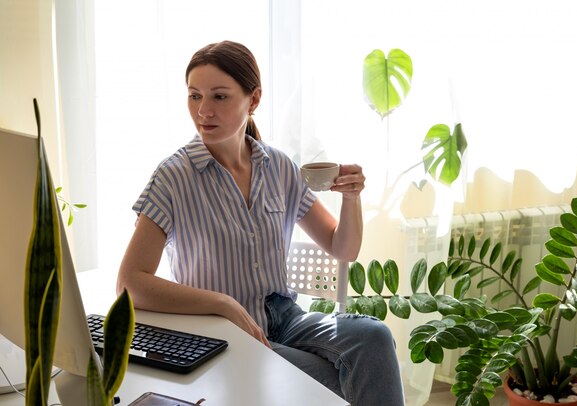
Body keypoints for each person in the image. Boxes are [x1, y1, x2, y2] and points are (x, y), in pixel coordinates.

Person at [116, 40, 404, 405]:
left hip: (284, 316)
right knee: (337, 377)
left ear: (252, 100)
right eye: (194, 96)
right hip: (222, 330)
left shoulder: (279, 167)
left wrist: (351, 198)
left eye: (219, 97)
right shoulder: (173, 177)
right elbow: (129, 283)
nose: (203, 110)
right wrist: (222, 303)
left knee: (374, 338)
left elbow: (342, 246)